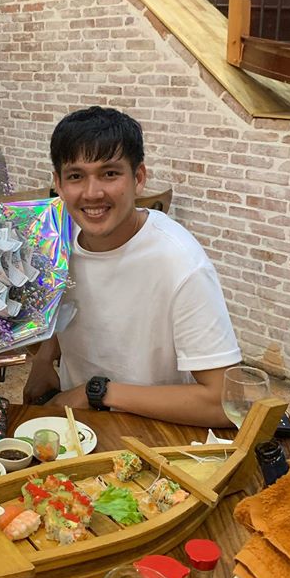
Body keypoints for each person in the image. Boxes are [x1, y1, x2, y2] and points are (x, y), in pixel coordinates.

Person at [23, 107, 240, 426]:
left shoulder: (179, 262)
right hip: (78, 428)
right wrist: (44, 359)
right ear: (58, 183)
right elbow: (71, 307)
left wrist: (96, 393)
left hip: (158, 431)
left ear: (138, 178)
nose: (92, 193)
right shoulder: (56, 242)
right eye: (76, 176)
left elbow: (225, 403)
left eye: (110, 174)